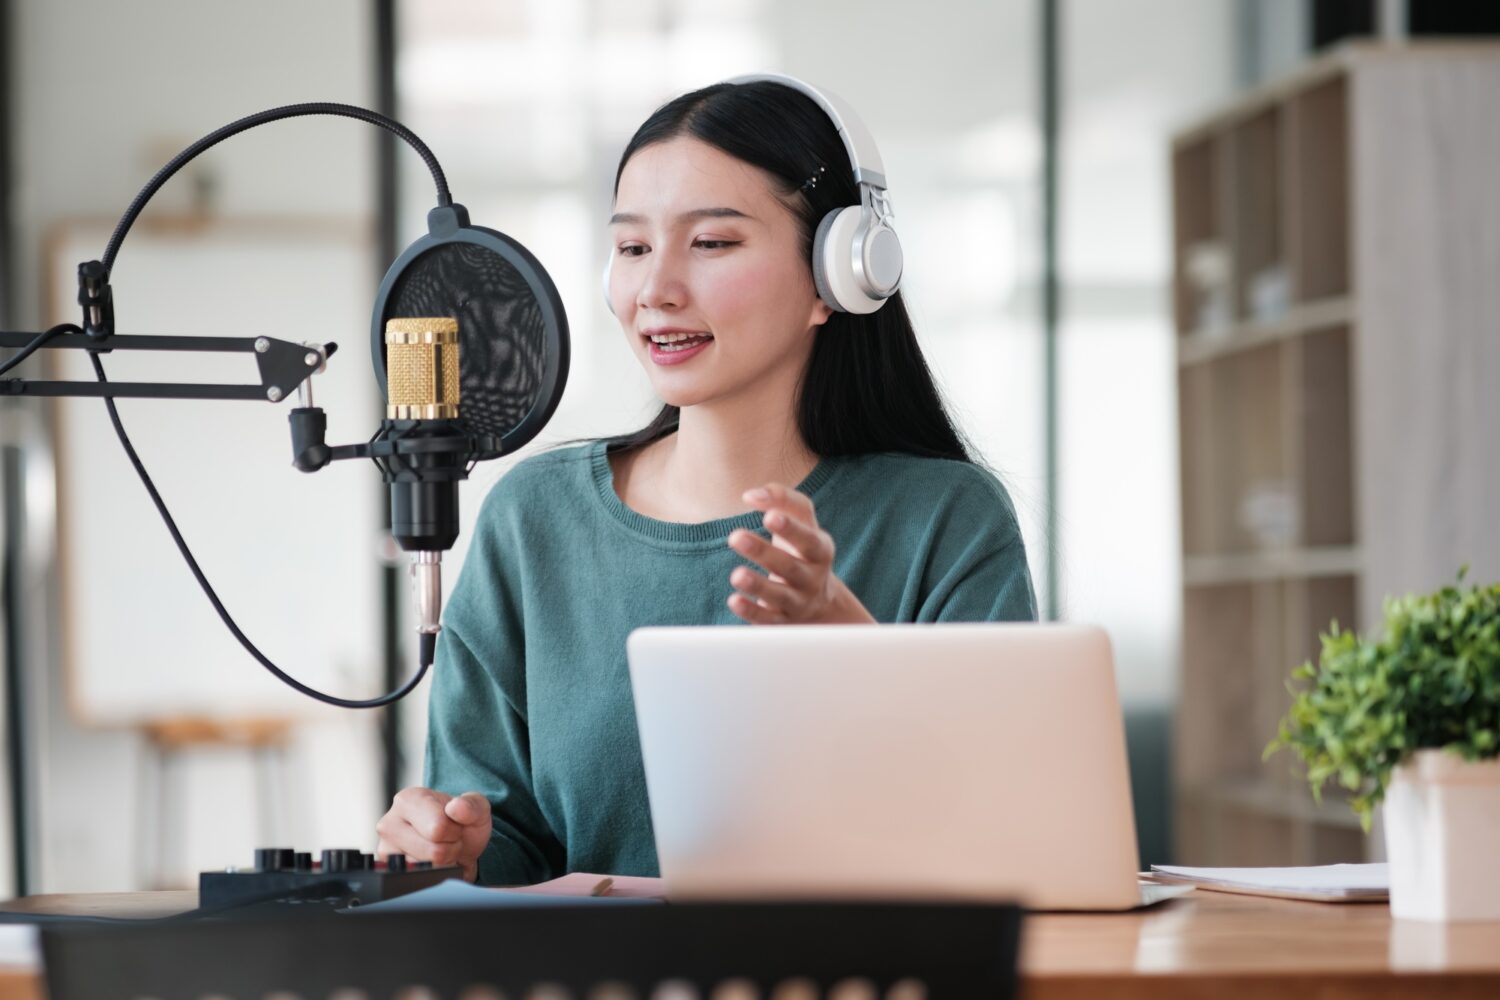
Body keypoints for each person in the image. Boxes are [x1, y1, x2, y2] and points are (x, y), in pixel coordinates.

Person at [374, 77, 1037, 885]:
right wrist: (458, 850)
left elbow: (1003, 839)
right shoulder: (534, 518)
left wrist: (842, 640)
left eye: (713, 243)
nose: (655, 290)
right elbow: (511, 841)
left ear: (840, 272)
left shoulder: (947, 520)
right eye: (632, 248)